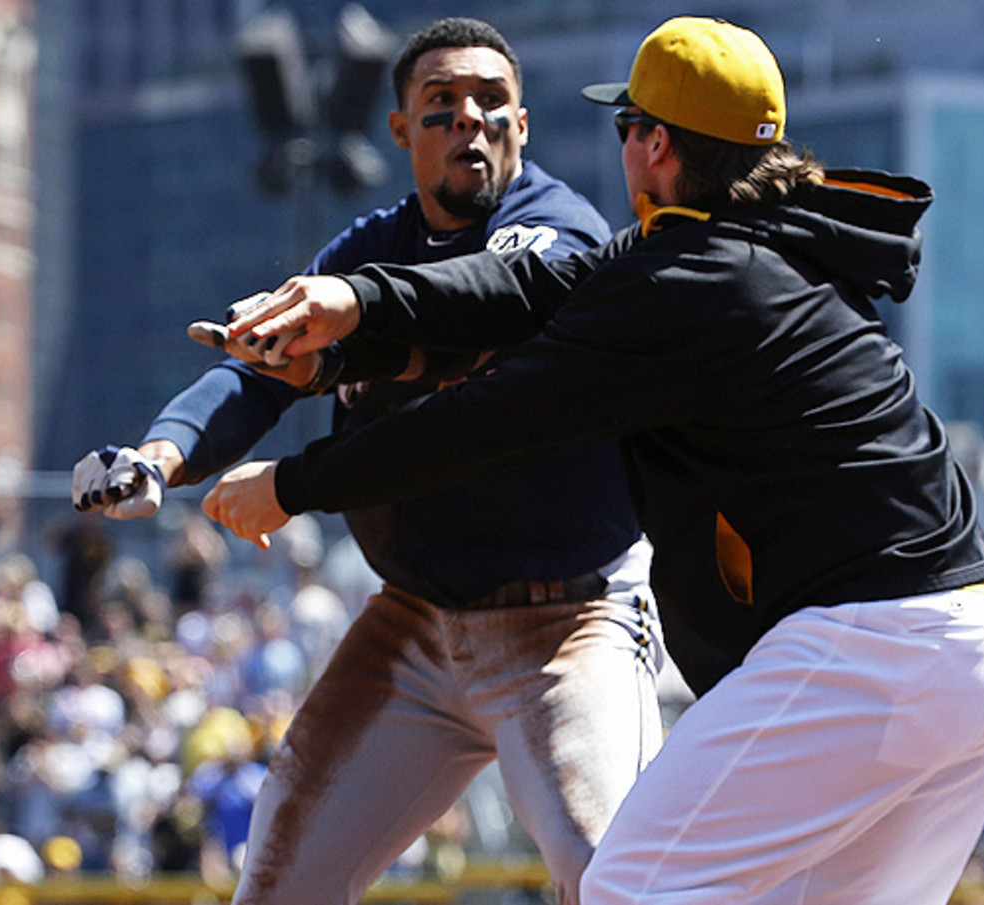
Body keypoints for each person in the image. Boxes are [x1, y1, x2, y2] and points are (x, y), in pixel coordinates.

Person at [201, 16, 984, 904]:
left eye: (627, 125)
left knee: (627, 890)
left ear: (655, 145)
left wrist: (295, 484)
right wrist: (359, 300)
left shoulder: (684, 283)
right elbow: (531, 285)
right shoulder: (771, 242)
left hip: (875, 646)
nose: (625, 145)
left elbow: (481, 420)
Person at [71, 17, 662, 905]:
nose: (470, 119)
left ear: (523, 125)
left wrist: (351, 312)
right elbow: (258, 375)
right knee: (276, 885)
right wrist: (160, 456)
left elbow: (477, 306)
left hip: (567, 624)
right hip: (414, 622)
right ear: (400, 131)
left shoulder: (559, 233)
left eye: (491, 101)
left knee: (619, 881)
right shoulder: (366, 248)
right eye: (441, 106)